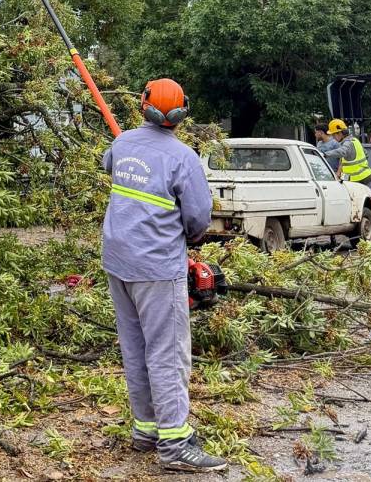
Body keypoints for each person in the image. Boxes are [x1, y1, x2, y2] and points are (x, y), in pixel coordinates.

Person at [102, 78, 227, 473]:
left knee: (136, 347)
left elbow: (110, 165)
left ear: (143, 105)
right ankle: (174, 444)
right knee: (167, 353)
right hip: (156, 267)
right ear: (182, 113)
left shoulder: (121, 145)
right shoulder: (183, 158)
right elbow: (197, 219)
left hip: (118, 261)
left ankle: (147, 431)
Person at [320, 119, 371, 233]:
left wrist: (325, 154)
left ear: (339, 133)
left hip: (359, 180)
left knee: (367, 204)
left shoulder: (347, 143)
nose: (333, 138)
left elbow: (342, 152)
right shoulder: (355, 140)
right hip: (366, 176)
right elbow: (364, 154)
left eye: (334, 135)